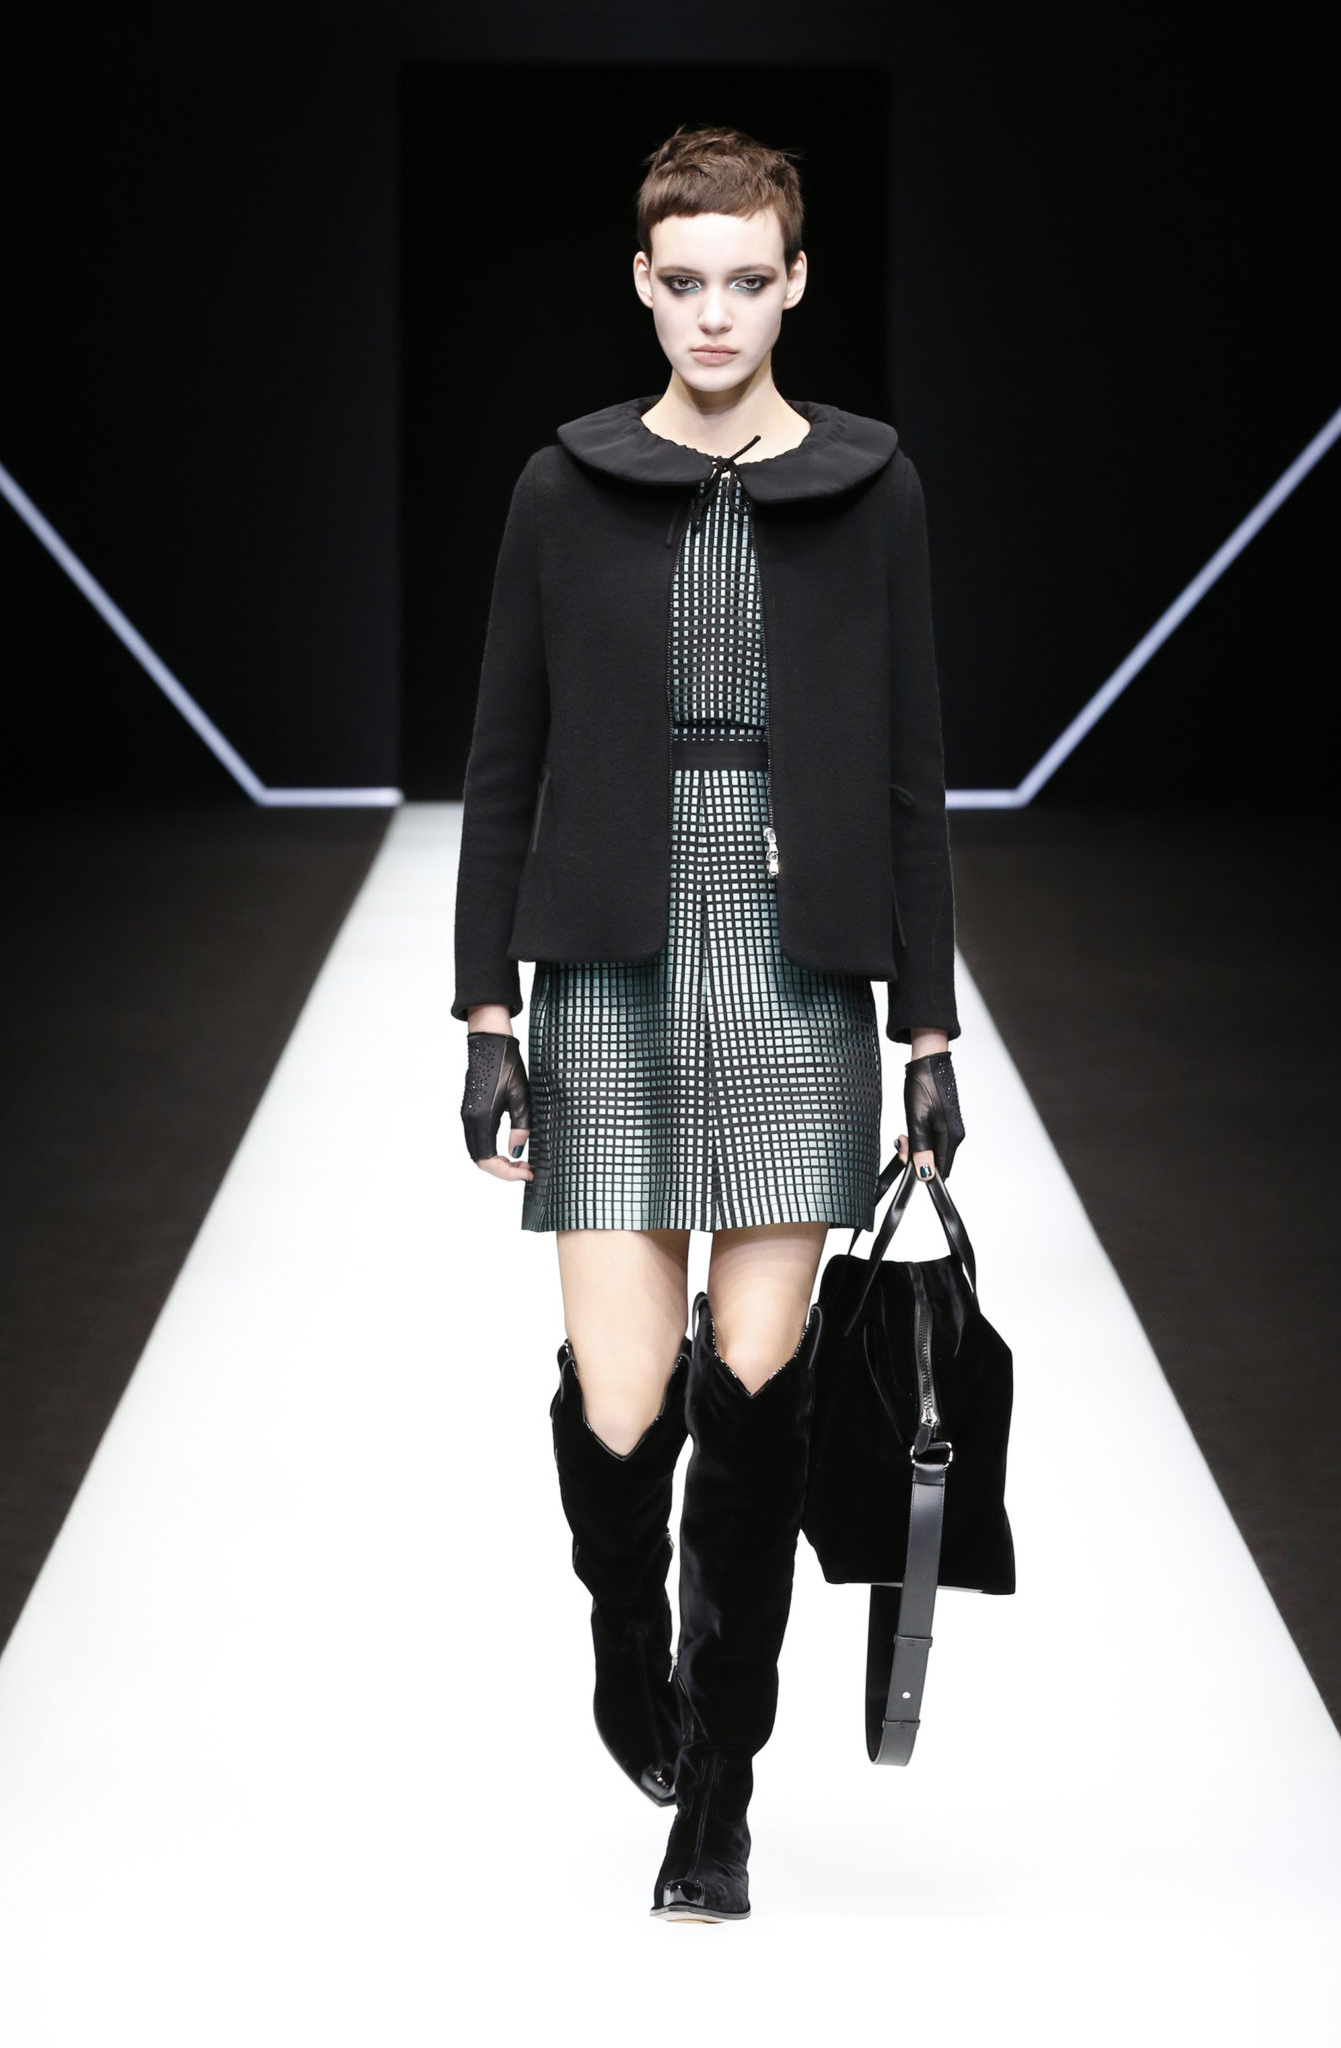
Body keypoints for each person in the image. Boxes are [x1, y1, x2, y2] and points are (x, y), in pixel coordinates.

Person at [451, 125, 964, 1922]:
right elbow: (501, 760)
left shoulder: (872, 488)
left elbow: (911, 778)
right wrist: (486, 1017)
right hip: (605, 962)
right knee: (622, 1395)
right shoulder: (562, 488)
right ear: (644, 284)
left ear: (797, 281)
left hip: (798, 972)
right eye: (688, 281)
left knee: (756, 1386)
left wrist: (928, 1040)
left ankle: (720, 1794)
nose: (719, 312)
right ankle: (626, 1635)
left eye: (751, 279)